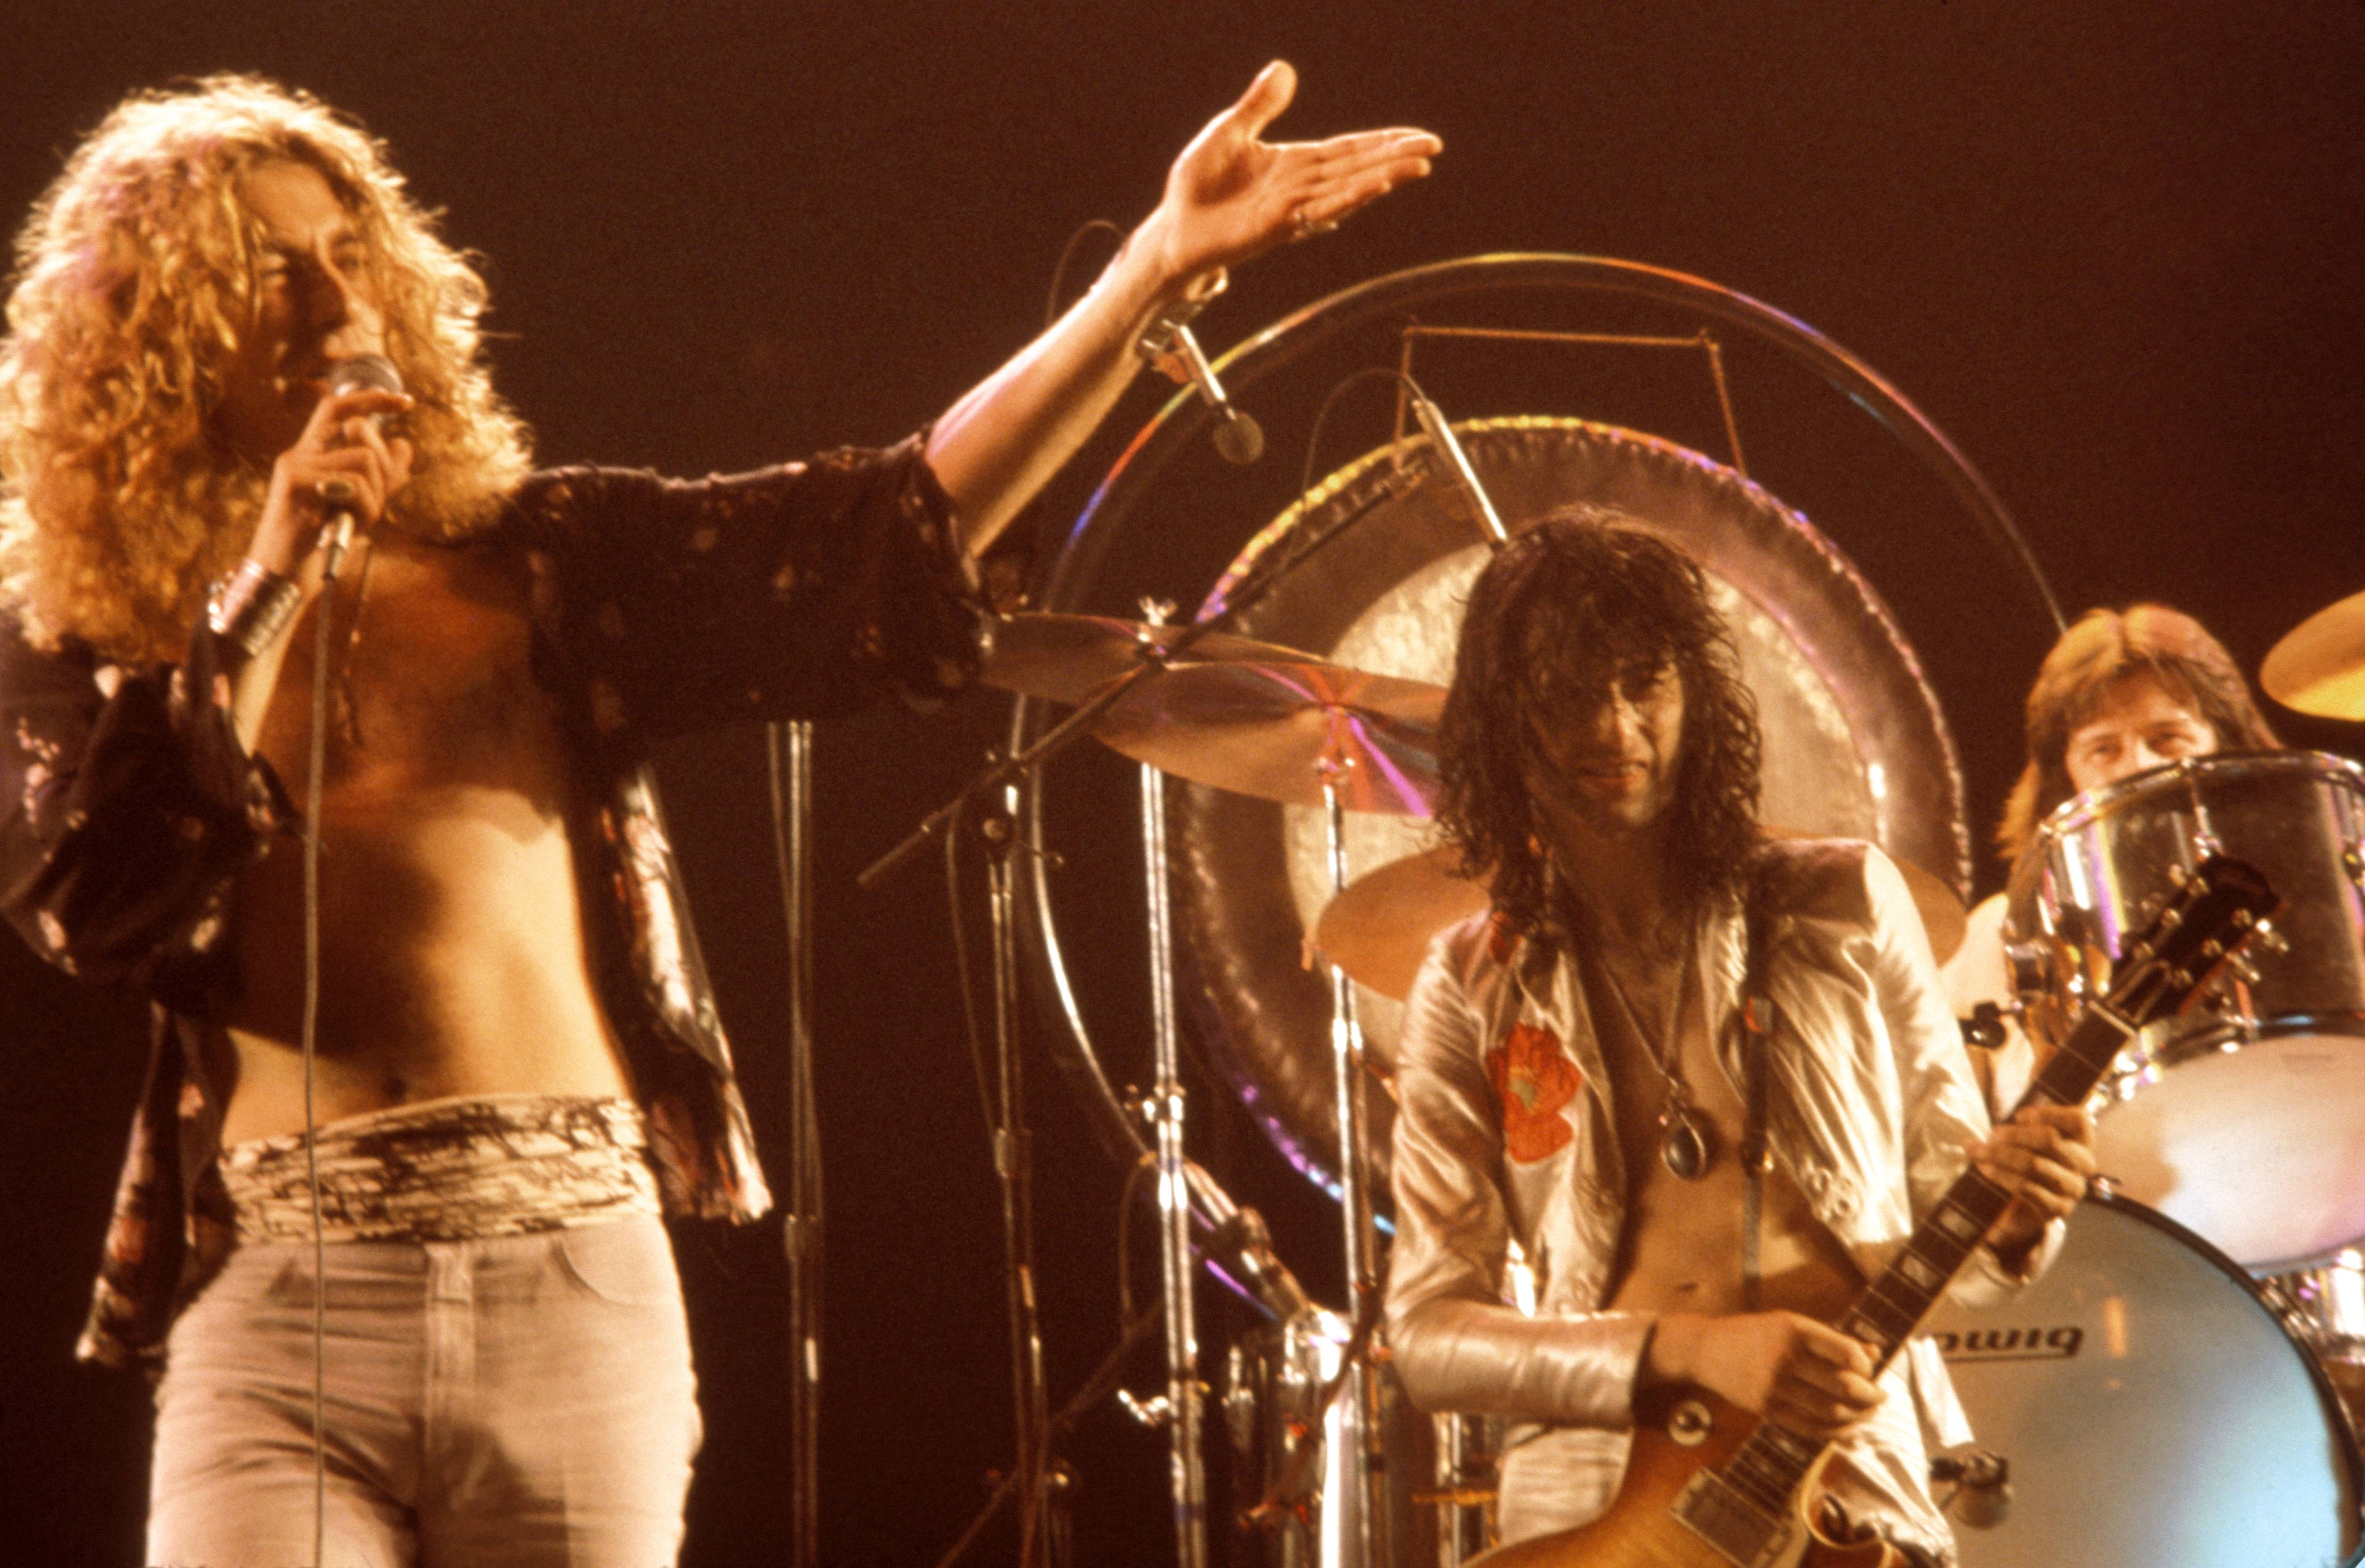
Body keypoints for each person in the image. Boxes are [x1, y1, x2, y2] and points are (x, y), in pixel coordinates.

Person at [0, 67, 1437, 1566]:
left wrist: (1150, 270)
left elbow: (880, 528)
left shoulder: (544, 562)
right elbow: (94, 901)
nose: (330, 298)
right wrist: (263, 588)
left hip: (567, 1290)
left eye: (345, 251)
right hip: (285, 1308)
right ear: (155, 333)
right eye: (266, 270)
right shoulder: (88, 644)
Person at [1382, 510, 2096, 1563]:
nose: (1614, 725)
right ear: (1501, 720)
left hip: (1845, 1485)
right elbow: (1427, 1335)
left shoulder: (1845, 900)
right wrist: (1695, 1350)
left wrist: (2018, 1224)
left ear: (1698, 695)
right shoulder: (1468, 979)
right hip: (1599, 1513)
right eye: (1567, 692)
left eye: (1643, 683)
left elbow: (1965, 1252)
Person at [1939, 605, 2281, 1109]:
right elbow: (1946, 1138)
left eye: (2167, 739)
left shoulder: (2320, 904)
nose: (2136, 768)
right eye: (2103, 749)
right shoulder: (1999, 935)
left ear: (2226, 748)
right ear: (2065, 775)